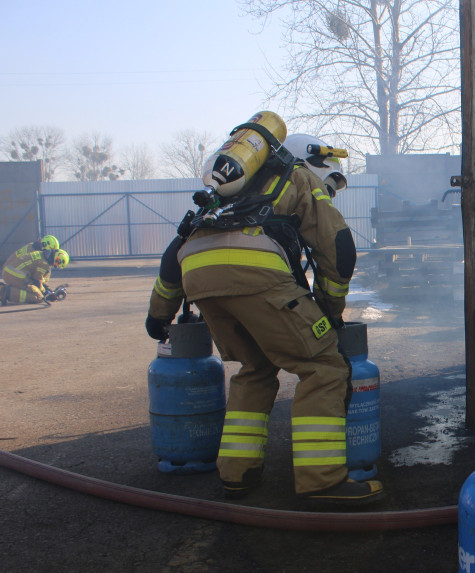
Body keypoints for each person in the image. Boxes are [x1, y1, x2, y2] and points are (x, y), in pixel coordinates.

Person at [145, 127, 383, 507]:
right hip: (256, 276)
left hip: (201, 280)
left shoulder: (226, 193)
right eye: (329, 183)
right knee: (324, 367)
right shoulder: (298, 175)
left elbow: (174, 254)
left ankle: (237, 474)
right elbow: (338, 246)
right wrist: (329, 311)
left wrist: (159, 313)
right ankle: (322, 481)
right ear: (309, 162)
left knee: (256, 368)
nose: (329, 191)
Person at [1, 247, 69, 305]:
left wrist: (47, 290)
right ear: (57, 259)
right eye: (56, 264)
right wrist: (46, 293)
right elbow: (37, 282)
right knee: (38, 297)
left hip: (10, 273)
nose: (54, 265)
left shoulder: (40, 254)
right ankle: (4, 292)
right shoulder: (44, 263)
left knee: (31, 288)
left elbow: (38, 279)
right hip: (16, 275)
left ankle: (4, 289)